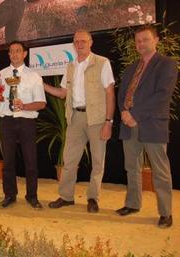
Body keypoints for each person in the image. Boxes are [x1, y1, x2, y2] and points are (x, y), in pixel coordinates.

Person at [44, 29, 115, 213]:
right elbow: (62, 93)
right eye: (76, 41)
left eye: (83, 41)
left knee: (98, 162)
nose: (80, 44)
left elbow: (110, 93)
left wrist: (109, 121)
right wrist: (42, 85)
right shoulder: (71, 66)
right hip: (75, 118)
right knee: (69, 160)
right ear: (73, 44)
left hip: (97, 118)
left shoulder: (102, 62)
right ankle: (66, 197)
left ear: (91, 42)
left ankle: (93, 198)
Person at [116, 25, 178, 228]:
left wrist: (135, 114)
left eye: (145, 39)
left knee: (160, 171)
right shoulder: (131, 68)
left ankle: (165, 213)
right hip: (129, 125)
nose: (141, 43)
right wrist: (124, 113)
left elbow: (162, 96)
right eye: (138, 40)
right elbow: (122, 94)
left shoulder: (167, 64)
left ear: (156, 40)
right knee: (131, 167)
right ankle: (133, 204)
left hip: (152, 124)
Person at [0, 41, 46, 209]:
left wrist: (24, 106)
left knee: (31, 161)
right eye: (11, 51)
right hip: (7, 120)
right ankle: (9, 195)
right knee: (8, 162)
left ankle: (32, 196)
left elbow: (41, 103)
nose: (14, 54)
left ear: (25, 54)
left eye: (18, 51)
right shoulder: (0, 75)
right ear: (8, 55)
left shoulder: (34, 76)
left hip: (26, 120)